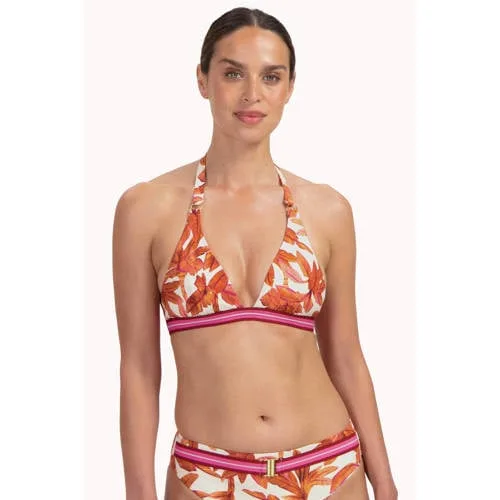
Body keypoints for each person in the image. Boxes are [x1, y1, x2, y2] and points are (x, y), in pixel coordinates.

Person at [113, 7, 398, 500]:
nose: (252, 94)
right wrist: (138, 493)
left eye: (271, 76)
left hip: (329, 468)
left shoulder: (327, 209)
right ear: (202, 80)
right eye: (232, 74)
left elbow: (346, 355)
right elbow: (139, 369)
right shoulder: (147, 208)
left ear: (289, 88)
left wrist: (386, 484)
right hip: (206, 475)